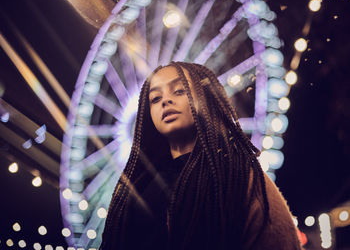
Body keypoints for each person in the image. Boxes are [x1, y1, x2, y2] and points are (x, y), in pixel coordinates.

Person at [100, 62, 302, 250]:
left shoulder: (239, 177)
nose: (166, 101)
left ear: (204, 97)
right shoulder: (138, 187)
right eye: (155, 98)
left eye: (179, 90)